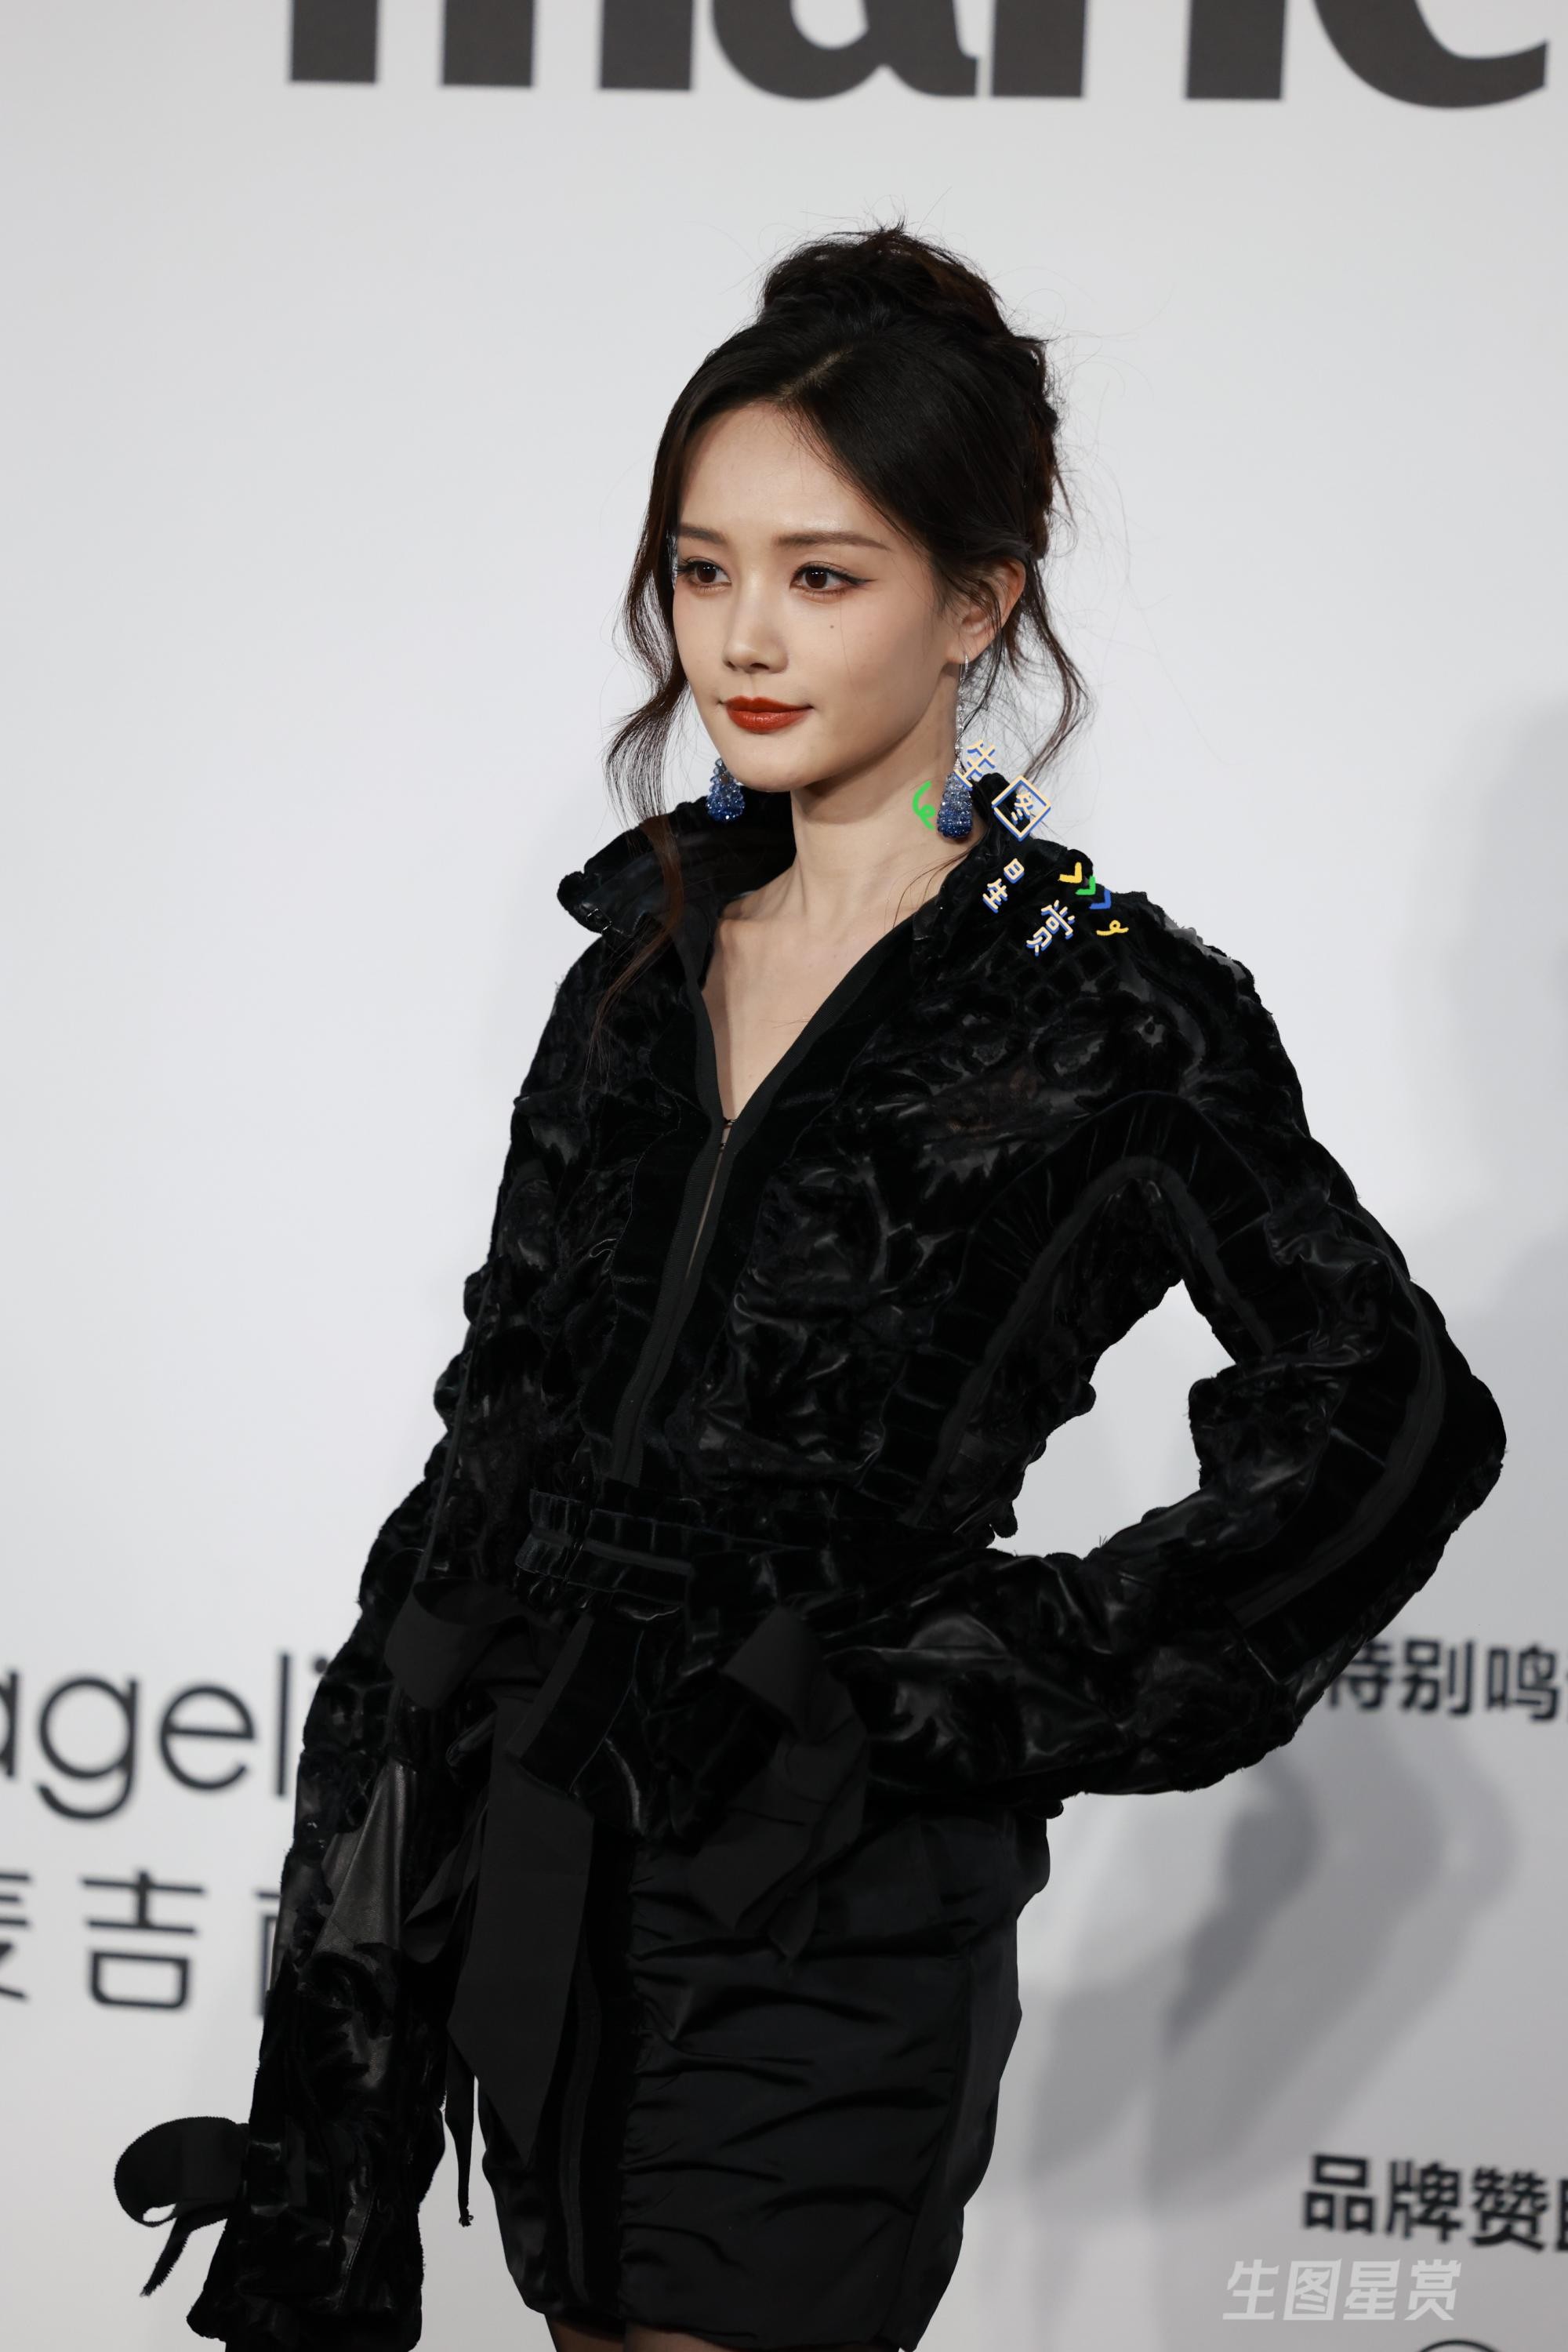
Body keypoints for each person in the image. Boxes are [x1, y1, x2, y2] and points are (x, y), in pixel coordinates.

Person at [113, 222, 1507, 2352]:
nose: (744, 639)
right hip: (545, 1847)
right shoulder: (635, 964)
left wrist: (971, 1679)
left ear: (980, 601)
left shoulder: (1104, 1007)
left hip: (820, 1895)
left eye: (825, 576)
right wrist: (348, 2007)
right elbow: (486, 1466)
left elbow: (1389, 1413)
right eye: (703, 570)